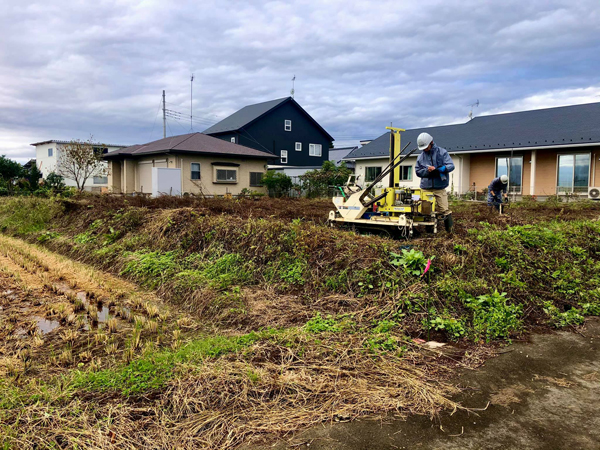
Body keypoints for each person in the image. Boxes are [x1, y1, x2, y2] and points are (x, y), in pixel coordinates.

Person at [415, 132, 455, 232]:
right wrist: (426, 171)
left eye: (426, 147)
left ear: (431, 142)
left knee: (444, 209)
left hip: (439, 187)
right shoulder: (420, 157)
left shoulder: (442, 152)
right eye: (423, 148)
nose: (425, 149)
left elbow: (451, 165)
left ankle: (450, 232)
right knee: (426, 210)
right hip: (425, 188)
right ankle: (429, 232)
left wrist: (441, 169)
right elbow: (417, 171)